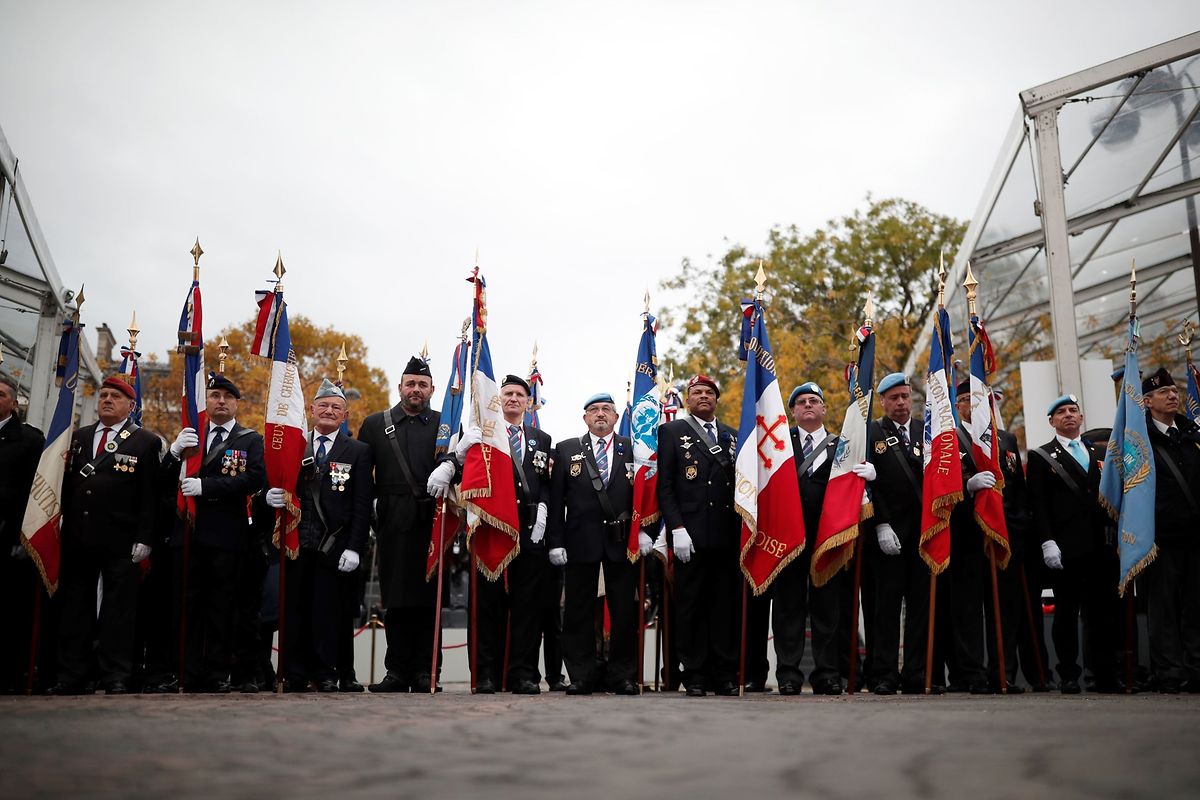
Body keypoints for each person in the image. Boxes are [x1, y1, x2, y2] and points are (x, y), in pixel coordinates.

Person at [49, 375, 161, 694]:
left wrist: (145, 537)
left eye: (115, 396)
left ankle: (115, 675)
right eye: (103, 395)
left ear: (131, 405)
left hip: (122, 539)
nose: (107, 400)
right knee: (75, 608)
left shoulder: (145, 441)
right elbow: (68, 483)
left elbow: (149, 496)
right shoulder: (79, 437)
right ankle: (73, 674)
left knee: (118, 611)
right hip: (79, 535)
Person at [266, 379, 373, 692]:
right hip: (296, 543)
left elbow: (362, 505)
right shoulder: (293, 446)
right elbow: (275, 482)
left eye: (336, 407)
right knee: (293, 611)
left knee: (327, 613)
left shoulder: (358, 451)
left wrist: (355, 547)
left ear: (345, 415)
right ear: (311, 410)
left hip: (334, 547)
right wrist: (268, 496)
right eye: (323, 405)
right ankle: (293, 673)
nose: (328, 411)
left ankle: (326, 673)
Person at [164, 373, 266, 692]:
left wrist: (206, 487)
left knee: (222, 608)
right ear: (205, 401)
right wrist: (173, 453)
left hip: (227, 535)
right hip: (190, 533)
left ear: (237, 403)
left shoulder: (250, 439)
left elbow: (254, 479)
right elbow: (164, 481)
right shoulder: (191, 436)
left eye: (227, 396)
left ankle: (217, 673)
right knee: (188, 606)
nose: (220, 401)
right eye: (214, 395)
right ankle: (187, 672)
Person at [773, 381, 875, 695]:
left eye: (813, 401)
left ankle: (826, 673)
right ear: (792, 411)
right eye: (801, 402)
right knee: (788, 608)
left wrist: (866, 481)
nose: (807, 406)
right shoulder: (779, 443)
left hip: (827, 537)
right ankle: (788, 675)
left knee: (827, 608)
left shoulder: (842, 444)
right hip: (789, 536)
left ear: (824, 409)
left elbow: (850, 486)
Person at [358, 356, 451, 693]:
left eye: (422, 385)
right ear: (400, 387)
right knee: (395, 599)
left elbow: (459, 460)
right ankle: (396, 671)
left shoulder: (445, 424)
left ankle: (428, 672)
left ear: (432, 390)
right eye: (410, 384)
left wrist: (450, 464)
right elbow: (361, 472)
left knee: (430, 599)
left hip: (432, 521)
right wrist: (368, 513)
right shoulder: (374, 424)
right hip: (392, 519)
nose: (416, 389)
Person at [1027, 394, 1121, 694]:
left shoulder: (1098, 452)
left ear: (1081, 418)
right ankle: (1068, 673)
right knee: (1066, 613)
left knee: (1101, 614)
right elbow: (1038, 505)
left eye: (1073, 411)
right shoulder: (1042, 456)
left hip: (1101, 547)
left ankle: (1103, 673)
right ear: (1052, 421)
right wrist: (1047, 542)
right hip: (1065, 548)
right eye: (1061, 412)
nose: (1069, 415)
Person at [546, 392, 638, 695]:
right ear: (585, 417)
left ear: (615, 417)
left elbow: (644, 495)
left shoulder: (632, 448)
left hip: (622, 541)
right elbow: (556, 500)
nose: (601, 414)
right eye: (594, 410)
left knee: (624, 611)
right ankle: (581, 675)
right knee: (577, 611)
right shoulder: (566, 449)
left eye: (607, 410)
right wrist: (556, 541)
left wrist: (645, 532)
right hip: (579, 542)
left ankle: (622, 675)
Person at [656, 374, 740, 697]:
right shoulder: (672, 432)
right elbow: (666, 486)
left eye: (709, 392)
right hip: (688, 535)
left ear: (717, 399)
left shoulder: (732, 437)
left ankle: (724, 674)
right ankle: (694, 674)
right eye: (697, 392)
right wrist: (676, 528)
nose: (703, 396)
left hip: (724, 534)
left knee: (723, 607)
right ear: (688, 399)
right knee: (690, 606)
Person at [473, 375, 554, 694]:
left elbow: (547, 480)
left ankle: (523, 673)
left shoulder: (542, 438)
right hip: (494, 526)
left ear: (528, 402)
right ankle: (487, 674)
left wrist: (545, 509)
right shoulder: (486, 434)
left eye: (520, 394)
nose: (513, 399)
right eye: (507, 393)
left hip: (531, 529)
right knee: (489, 605)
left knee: (527, 607)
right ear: (499, 399)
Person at [866, 372, 936, 694]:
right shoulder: (871, 432)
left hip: (925, 531)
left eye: (905, 396)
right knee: (887, 609)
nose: (901, 403)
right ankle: (884, 675)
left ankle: (916, 674)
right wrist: (879, 523)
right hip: (889, 532)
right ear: (882, 401)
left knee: (921, 607)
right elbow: (867, 485)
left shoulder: (928, 430)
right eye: (893, 398)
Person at [1141, 368, 1200, 693]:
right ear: (1148, 401)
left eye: (1175, 391)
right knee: (1162, 606)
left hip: (1194, 534)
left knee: (1195, 604)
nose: (1174, 396)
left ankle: (1196, 665)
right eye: (1165, 393)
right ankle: (1169, 670)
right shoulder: (1141, 438)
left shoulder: (1192, 433)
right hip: (1160, 536)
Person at [946, 380, 999, 694]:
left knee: (998, 610)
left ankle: (1000, 671)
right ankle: (972, 673)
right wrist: (967, 485)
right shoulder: (949, 438)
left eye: (976, 398)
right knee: (966, 610)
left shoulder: (1000, 437)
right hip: (963, 533)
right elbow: (940, 483)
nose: (970, 404)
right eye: (964, 399)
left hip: (996, 534)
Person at [0, 375, 46, 693]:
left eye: (1, 394)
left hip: (9, 536)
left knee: (9, 612)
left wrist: (21, 535)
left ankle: (11, 675)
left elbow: (34, 491)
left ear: (14, 404)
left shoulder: (29, 439)